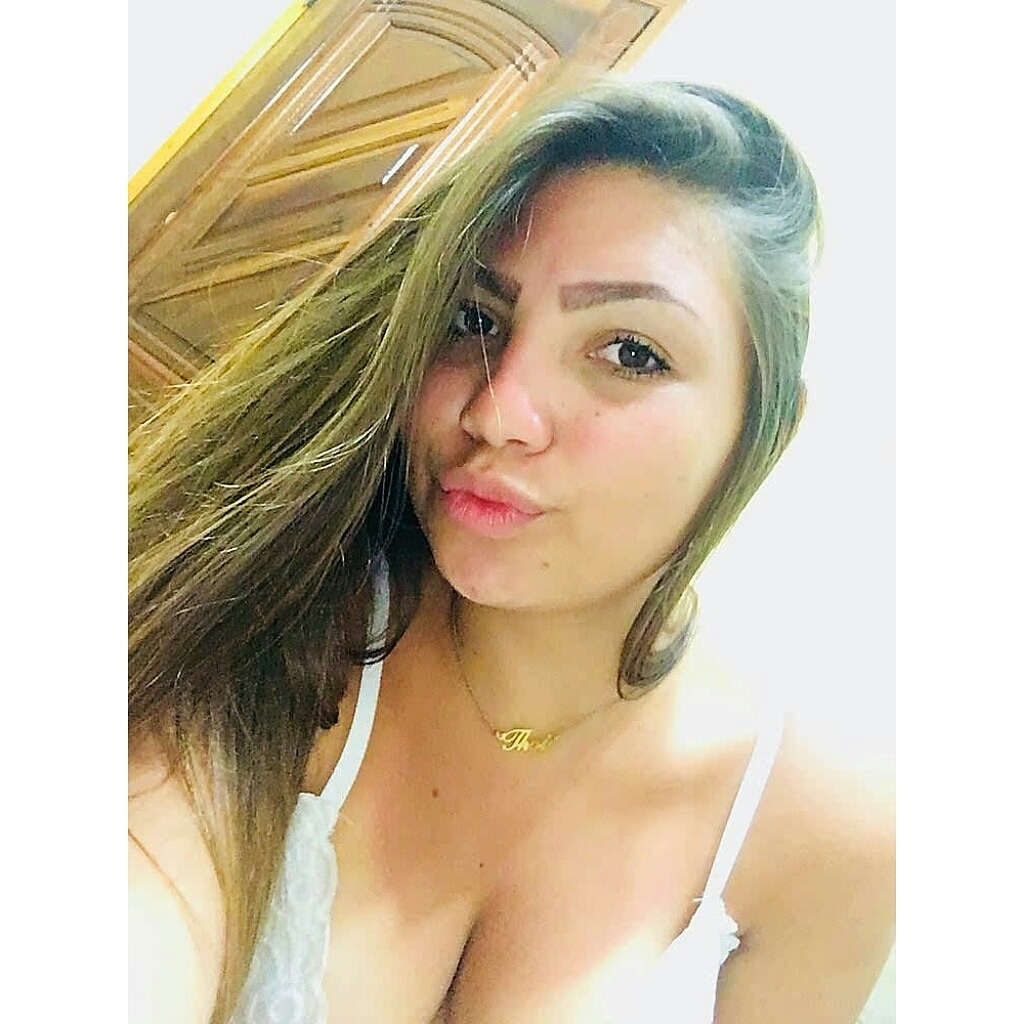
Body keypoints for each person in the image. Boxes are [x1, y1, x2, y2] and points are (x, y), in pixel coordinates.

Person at [128, 78, 895, 1024]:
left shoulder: (818, 831)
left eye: (630, 352)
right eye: (476, 321)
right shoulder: (273, 621)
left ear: (760, 432)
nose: (498, 411)